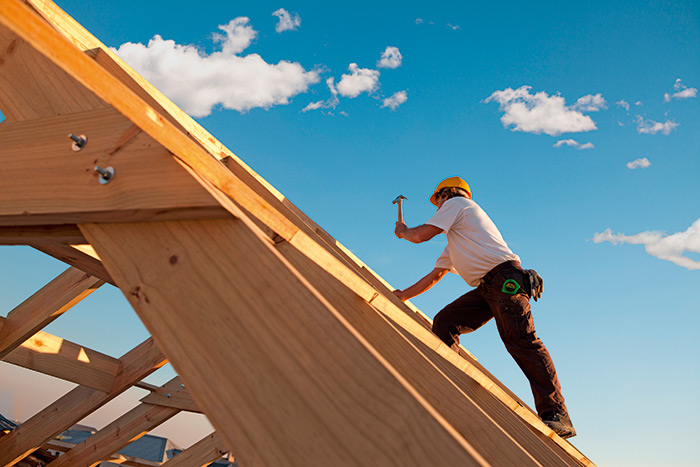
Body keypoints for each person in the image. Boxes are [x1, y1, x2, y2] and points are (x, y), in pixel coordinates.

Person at [393, 176, 576, 439]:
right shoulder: (458, 238)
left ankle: (556, 413)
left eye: (437, 201)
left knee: (521, 340)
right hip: (488, 287)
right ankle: (452, 380)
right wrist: (402, 296)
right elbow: (435, 276)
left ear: (448, 194)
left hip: (505, 281)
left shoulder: (460, 204)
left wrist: (403, 232)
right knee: (445, 322)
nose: (437, 209)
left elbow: (420, 235)